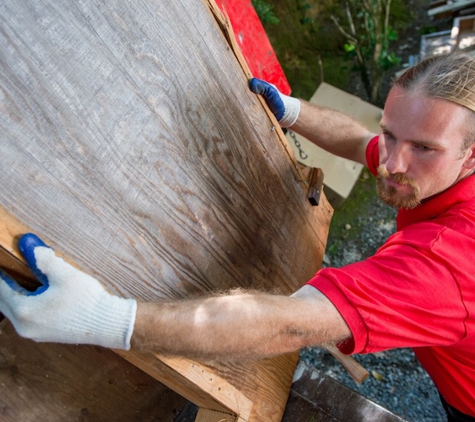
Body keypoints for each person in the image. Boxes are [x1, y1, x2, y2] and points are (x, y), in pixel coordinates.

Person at [1, 51, 475, 421]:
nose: (391, 162)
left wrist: (103, 319)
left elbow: (294, 323)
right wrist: (291, 112)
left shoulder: (447, 262)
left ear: (470, 157)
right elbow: (359, 142)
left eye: (423, 149)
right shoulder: (430, 167)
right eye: (392, 134)